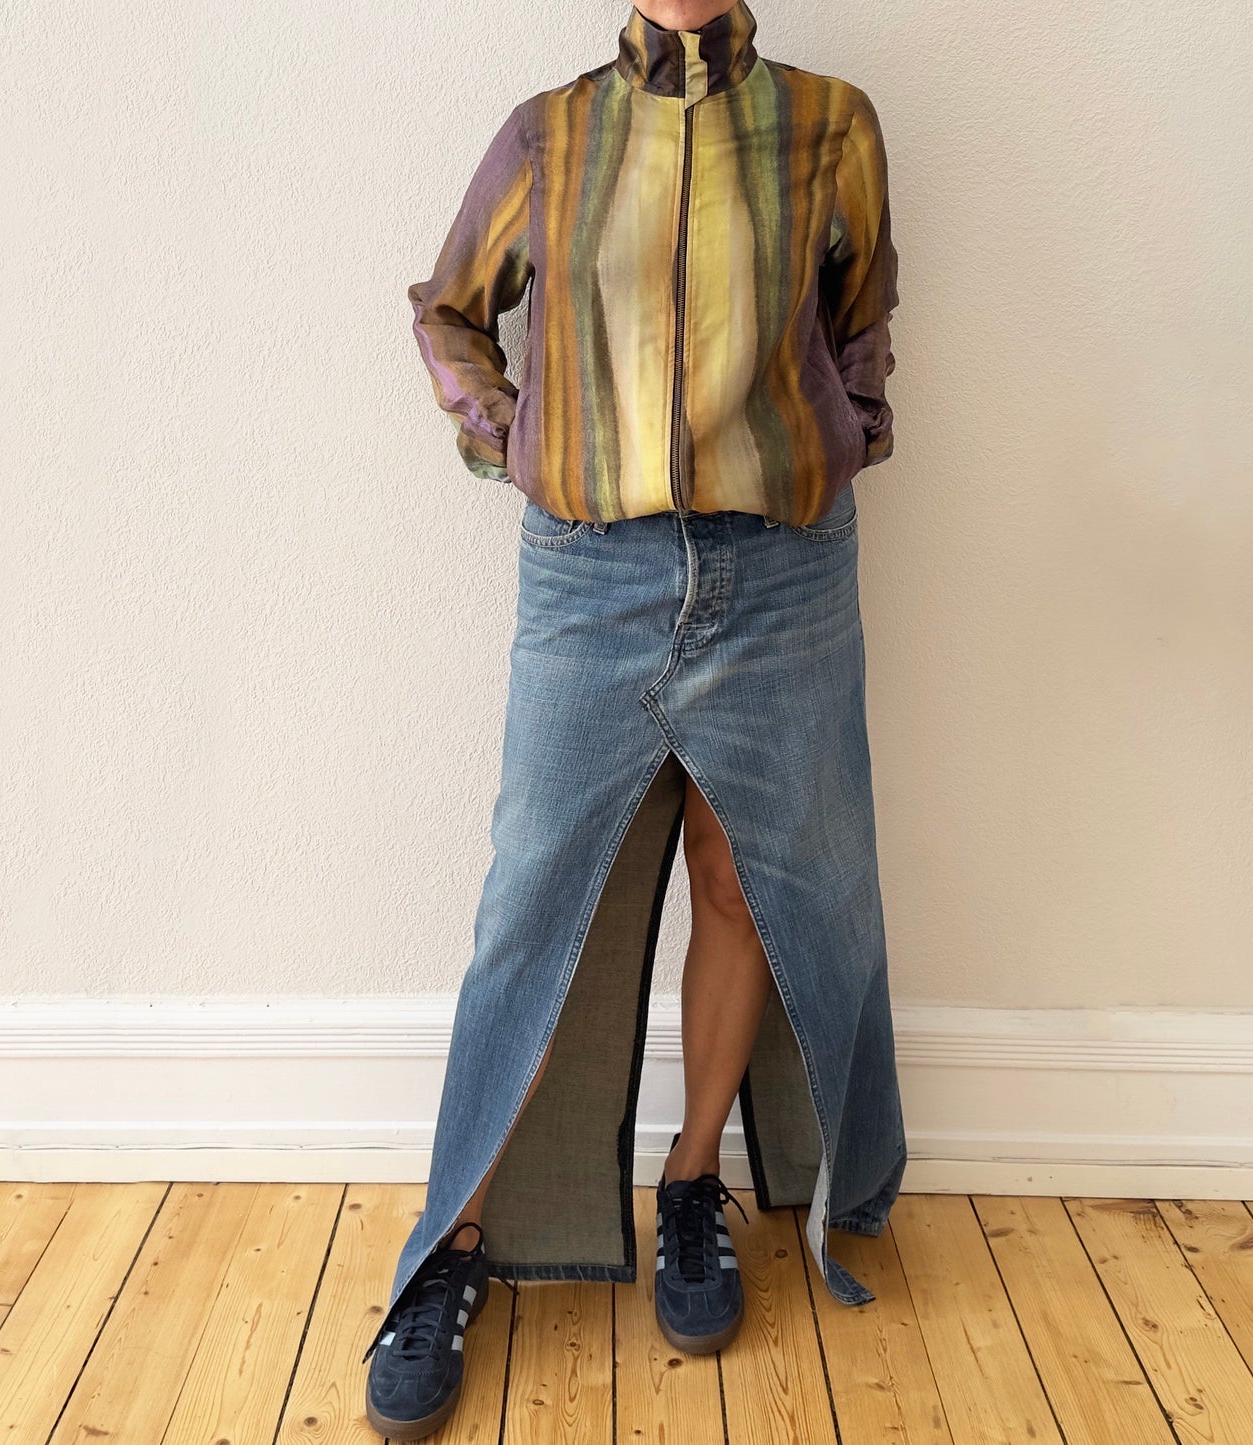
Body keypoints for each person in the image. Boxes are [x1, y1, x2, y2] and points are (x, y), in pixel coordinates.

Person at [365, 0, 905, 1436]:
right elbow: (448, 308)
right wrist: (516, 439)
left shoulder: (830, 125)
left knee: (748, 878)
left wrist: (849, 431)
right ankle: (449, 1244)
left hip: (783, 572)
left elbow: (861, 324)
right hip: (588, 574)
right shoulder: (551, 135)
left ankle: (692, 1178)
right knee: (533, 903)